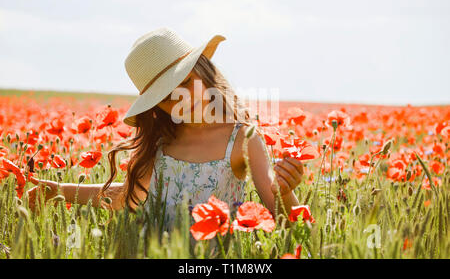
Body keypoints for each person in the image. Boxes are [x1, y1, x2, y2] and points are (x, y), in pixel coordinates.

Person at [27, 27, 303, 233]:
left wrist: (286, 190)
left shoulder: (242, 138)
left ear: (204, 70)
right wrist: (61, 190)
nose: (186, 97)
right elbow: (126, 197)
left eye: (186, 80)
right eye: (168, 96)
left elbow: (279, 210)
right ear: (158, 107)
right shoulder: (161, 144)